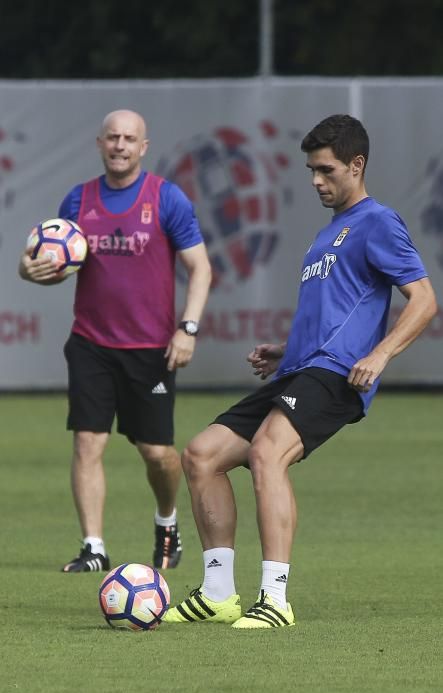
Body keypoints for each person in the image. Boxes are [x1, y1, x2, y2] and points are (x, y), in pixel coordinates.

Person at [164, 113, 437, 629]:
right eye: (311, 170)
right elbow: (338, 314)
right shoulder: (328, 233)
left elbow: (424, 300)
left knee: (268, 452)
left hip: (337, 376)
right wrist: (286, 351)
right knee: (201, 456)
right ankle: (219, 593)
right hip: (301, 369)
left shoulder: (377, 221)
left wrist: (379, 356)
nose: (316, 180)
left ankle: (275, 599)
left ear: (357, 166)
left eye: (326, 170)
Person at [18, 109, 212, 573]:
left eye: (130, 138)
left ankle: (167, 521)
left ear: (143, 147)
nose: (120, 145)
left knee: (158, 454)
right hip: (91, 343)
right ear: (100, 143)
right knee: (88, 442)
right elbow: (56, 267)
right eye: (113, 137)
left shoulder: (167, 199)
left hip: (150, 348)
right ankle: (94, 547)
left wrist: (187, 329)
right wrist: (29, 272)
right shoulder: (78, 201)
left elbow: (200, 268)